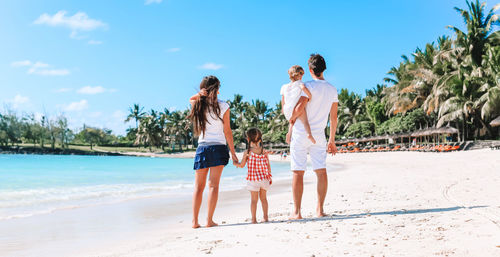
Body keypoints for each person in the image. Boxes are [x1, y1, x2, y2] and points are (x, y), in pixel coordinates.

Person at [289, 54, 338, 219]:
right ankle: (320, 210)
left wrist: (292, 118)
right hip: (319, 135)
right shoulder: (332, 89)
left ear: (310, 70)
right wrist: (332, 140)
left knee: (298, 172)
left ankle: (297, 212)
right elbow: (333, 118)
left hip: (301, 133)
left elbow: (298, 108)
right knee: (321, 171)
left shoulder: (306, 86)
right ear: (323, 68)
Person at [188, 75, 239, 228]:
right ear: (217, 89)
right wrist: (234, 153)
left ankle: (195, 222)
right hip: (219, 147)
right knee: (213, 186)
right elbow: (228, 131)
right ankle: (209, 221)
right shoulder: (224, 106)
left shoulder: (198, 103)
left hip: (203, 147)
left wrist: (200, 94)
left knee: (198, 187)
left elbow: (190, 98)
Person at [235, 128, 272, 224]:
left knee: (254, 200)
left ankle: (254, 219)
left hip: (253, 180)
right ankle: (265, 217)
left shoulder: (248, 152)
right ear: (260, 139)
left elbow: (242, 165)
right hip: (264, 179)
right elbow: (268, 165)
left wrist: (236, 164)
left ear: (248, 139)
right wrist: (270, 177)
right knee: (264, 199)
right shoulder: (264, 151)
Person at [280, 65, 315, 145]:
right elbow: (303, 88)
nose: (302, 75)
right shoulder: (300, 83)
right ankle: (309, 134)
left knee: (292, 122)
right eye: (301, 73)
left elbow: (283, 99)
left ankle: (289, 134)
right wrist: (310, 96)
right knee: (305, 121)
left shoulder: (284, 86)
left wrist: (283, 110)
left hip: (287, 110)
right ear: (297, 74)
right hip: (296, 107)